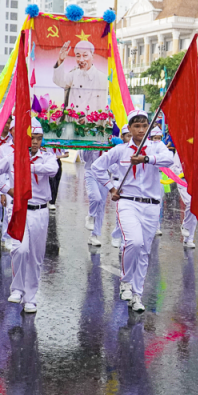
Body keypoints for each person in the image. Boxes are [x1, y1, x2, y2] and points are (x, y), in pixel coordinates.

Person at [92, 110, 174, 313]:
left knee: (144, 251)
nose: (141, 130)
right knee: (134, 242)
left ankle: (137, 294)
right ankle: (126, 281)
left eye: (144, 126)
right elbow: (97, 167)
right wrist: (111, 188)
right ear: (129, 129)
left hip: (152, 205)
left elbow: (169, 159)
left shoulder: (156, 146)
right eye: (136, 126)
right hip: (128, 202)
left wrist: (146, 159)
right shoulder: (120, 150)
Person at [0, 117, 59, 314]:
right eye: (31, 138)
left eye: (38, 138)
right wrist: (7, 190)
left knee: (35, 256)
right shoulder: (11, 157)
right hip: (18, 209)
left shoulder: (47, 156)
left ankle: (30, 297)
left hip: (40, 211)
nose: (35, 142)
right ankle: (17, 288)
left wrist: (28, 166)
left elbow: (53, 170)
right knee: (20, 249)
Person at [53, 40, 108, 112]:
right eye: (78, 56)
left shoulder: (102, 78)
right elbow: (59, 81)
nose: (81, 60)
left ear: (92, 56)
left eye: (85, 55)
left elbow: (102, 106)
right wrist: (60, 60)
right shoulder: (74, 74)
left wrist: (87, 119)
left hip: (91, 122)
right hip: (73, 120)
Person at [81, 144, 108, 247]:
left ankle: (94, 235)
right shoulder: (90, 136)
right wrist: (91, 146)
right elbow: (84, 158)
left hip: (104, 173)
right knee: (96, 197)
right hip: (90, 172)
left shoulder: (109, 138)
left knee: (101, 205)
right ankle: (90, 216)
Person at [110, 125, 131, 249]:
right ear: (122, 137)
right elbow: (108, 167)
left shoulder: (136, 150)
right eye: (127, 136)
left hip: (130, 186)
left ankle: (124, 239)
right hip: (117, 183)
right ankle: (117, 234)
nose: (130, 138)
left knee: (129, 216)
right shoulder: (118, 150)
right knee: (120, 214)